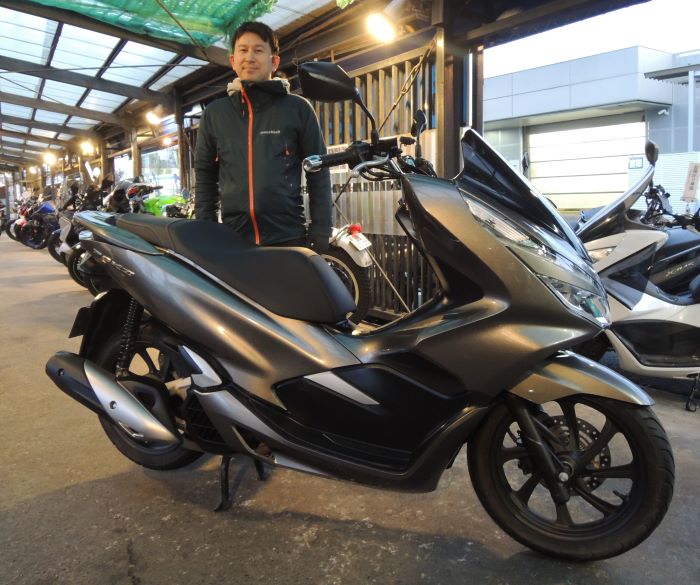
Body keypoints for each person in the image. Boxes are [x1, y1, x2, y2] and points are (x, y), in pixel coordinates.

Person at [194, 21, 332, 253]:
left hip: (288, 238)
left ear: (274, 61)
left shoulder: (298, 109)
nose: (249, 57)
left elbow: (319, 171)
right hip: (233, 240)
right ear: (233, 60)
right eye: (243, 50)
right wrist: (205, 231)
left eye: (258, 50)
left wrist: (322, 229)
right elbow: (205, 176)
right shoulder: (214, 114)